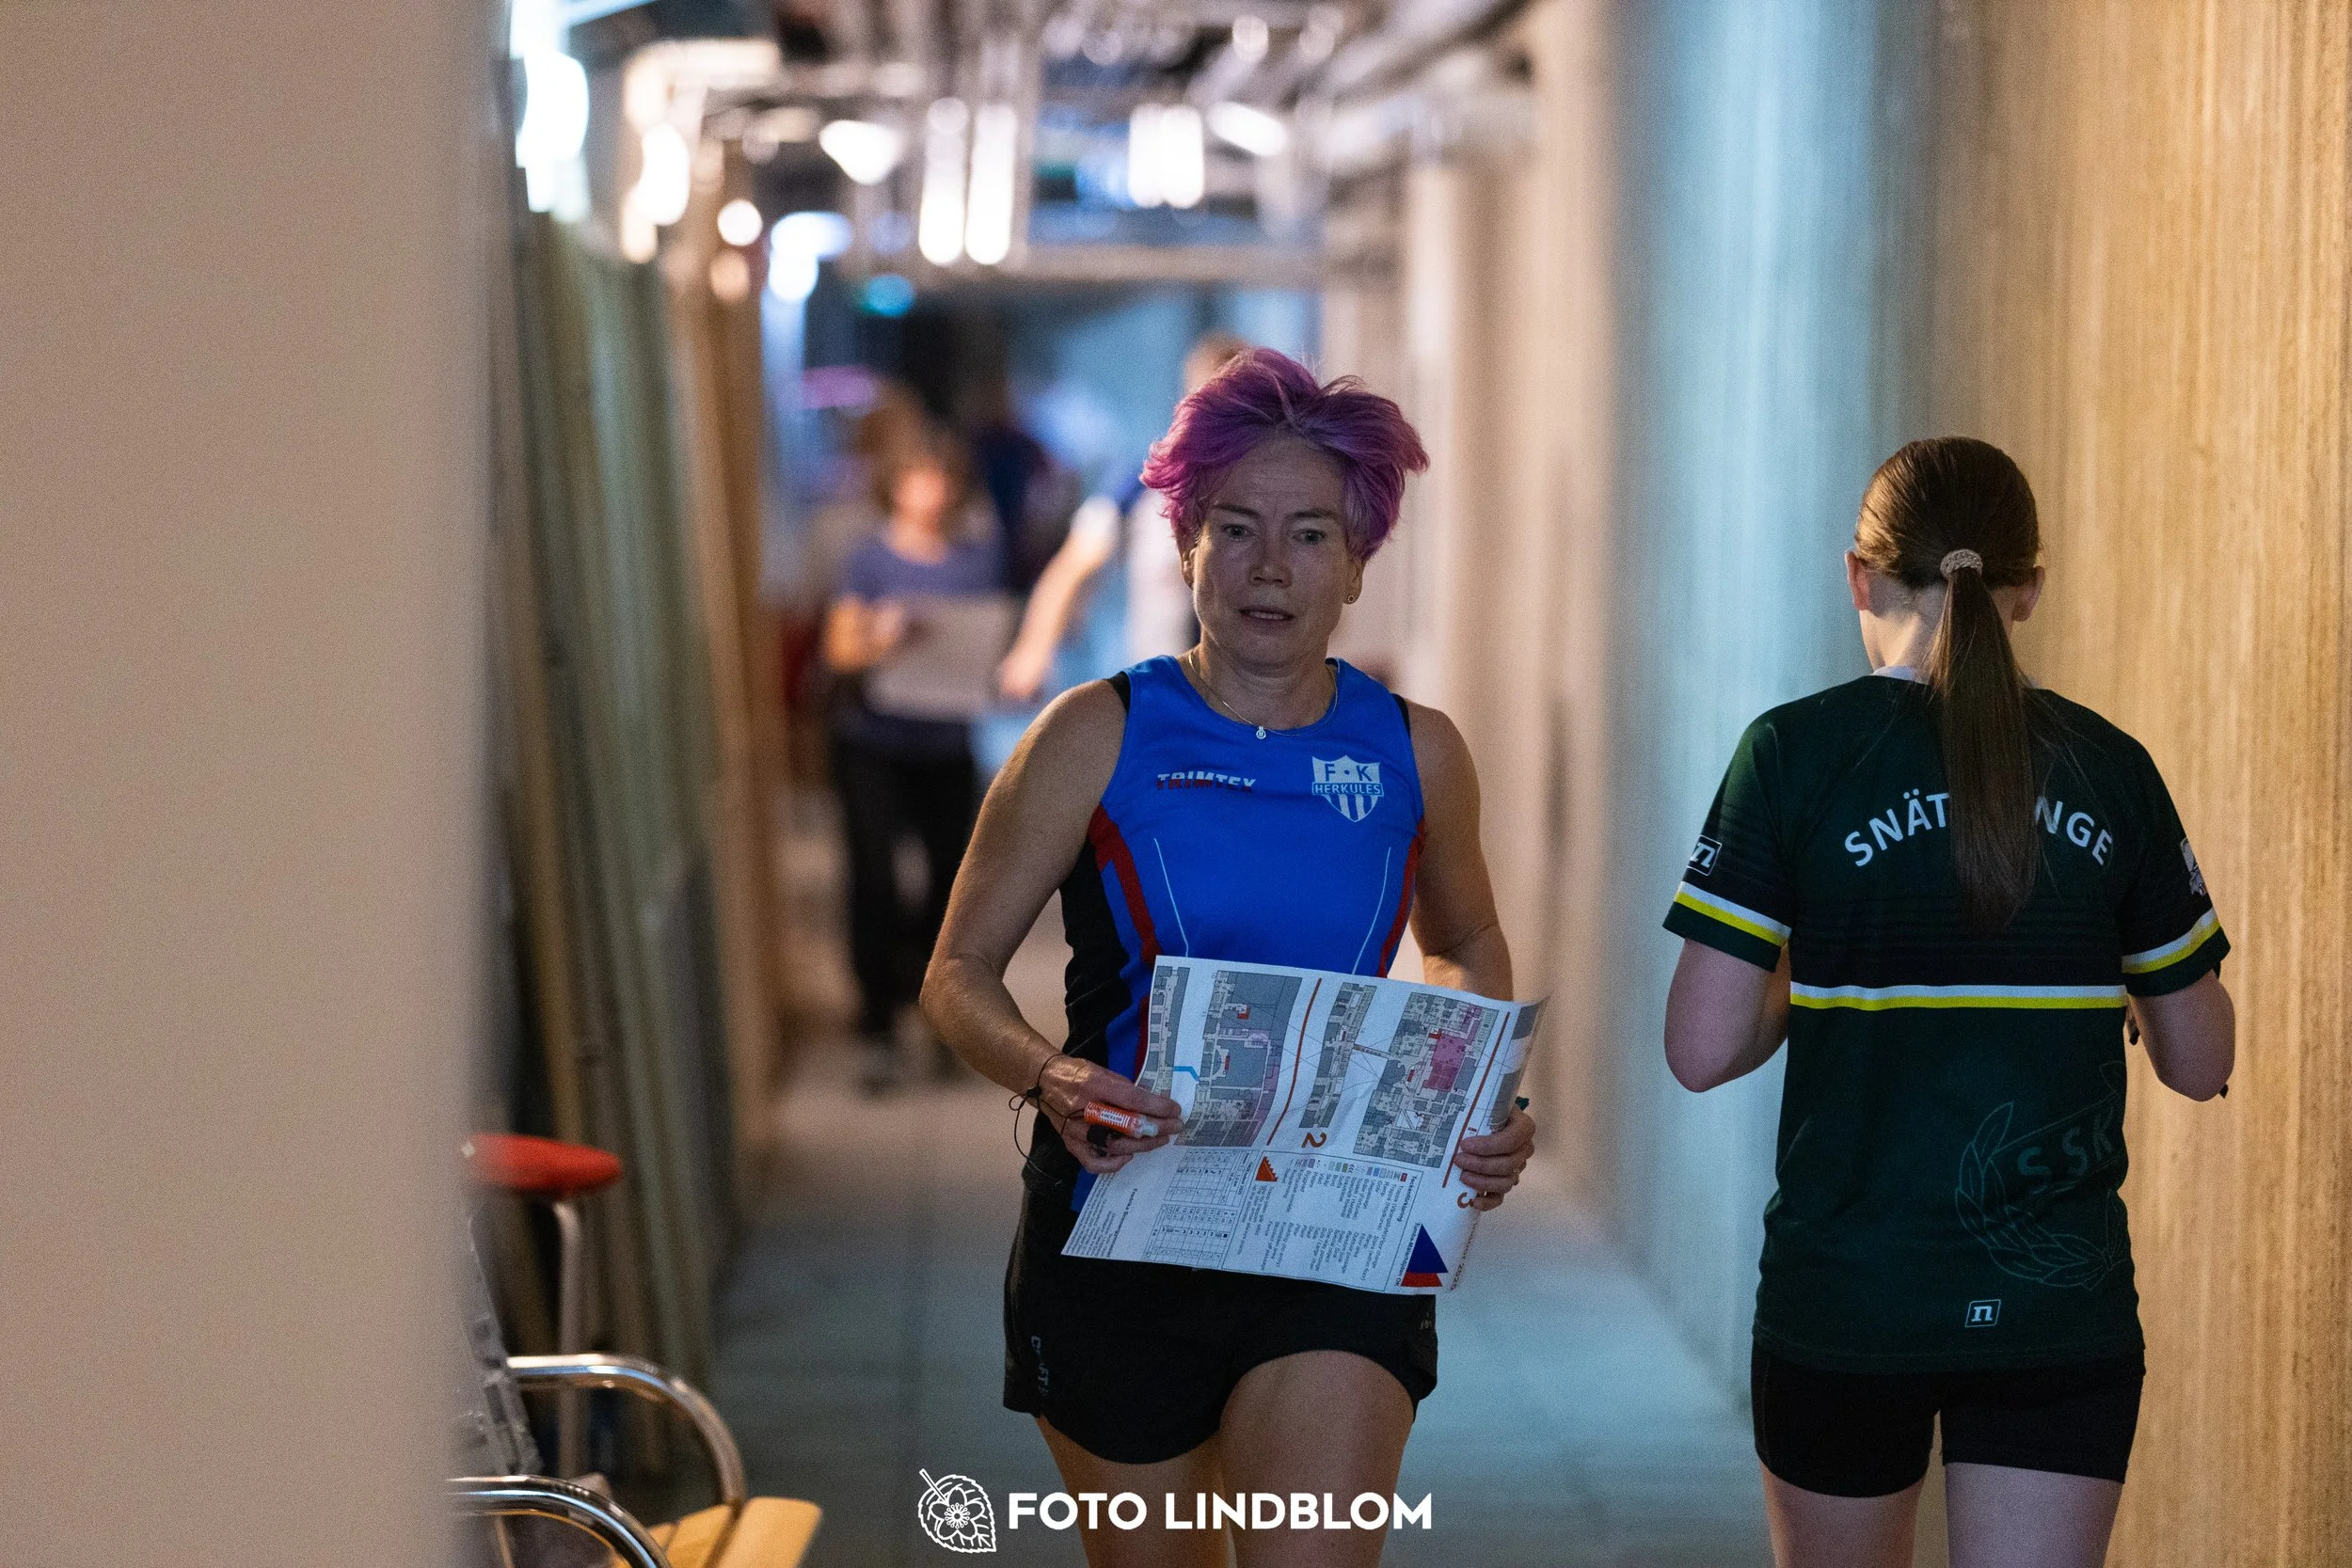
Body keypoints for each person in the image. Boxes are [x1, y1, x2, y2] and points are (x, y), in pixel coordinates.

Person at [923, 349, 1538, 1568]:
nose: (1271, 567)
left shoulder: (1418, 750)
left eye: (1311, 534)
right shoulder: (1096, 733)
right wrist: (1049, 1074)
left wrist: (1469, 1078)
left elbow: (1464, 938)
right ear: (1185, 541)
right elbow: (958, 972)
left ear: (1359, 560)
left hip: (1334, 1236)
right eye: (1238, 529)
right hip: (1120, 1229)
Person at [1661, 437, 2235, 1568]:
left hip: (1847, 1298)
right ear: (2028, 588)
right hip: (2053, 1311)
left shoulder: (1791, 754)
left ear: (1859, 574)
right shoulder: (2109, 767)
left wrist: (1819, 963)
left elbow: (1699, 1043)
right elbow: (2200, 1056)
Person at [825, 421, 1002, 1092]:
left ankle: (936, 1015)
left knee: (949, 885)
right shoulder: (867, 559)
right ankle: (875, 1020)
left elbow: (989, 640)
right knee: (873, 878)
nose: (929, 491)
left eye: (940, 477)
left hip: (945, 742)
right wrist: (885, 634)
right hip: (874, 740)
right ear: (895, 486)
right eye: (916, 477)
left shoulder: (972, 560)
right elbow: (839, 650)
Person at [996, 332, 1253, 702]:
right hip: (1165, 690)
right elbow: (1072, 564)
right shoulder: (1143, 483)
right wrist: (1034, 648)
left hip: (1251, 693)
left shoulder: (1278, 491)